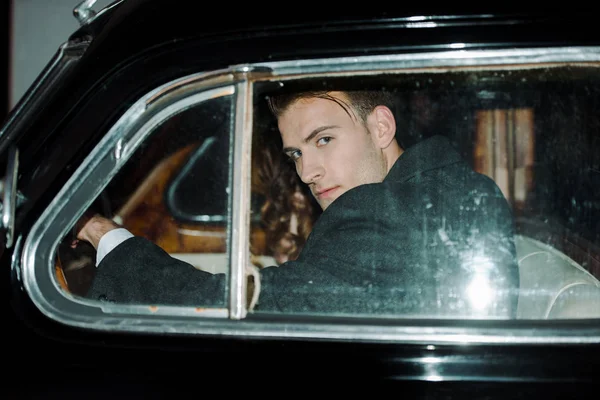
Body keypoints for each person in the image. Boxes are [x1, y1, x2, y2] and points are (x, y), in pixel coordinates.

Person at [74, 90, 520, 317]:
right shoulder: (450, 187)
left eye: (323, 140)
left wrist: (104, 234)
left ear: (381, 127)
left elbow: (241, 309)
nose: (307, 173)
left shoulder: (388, 209)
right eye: (297, 154)